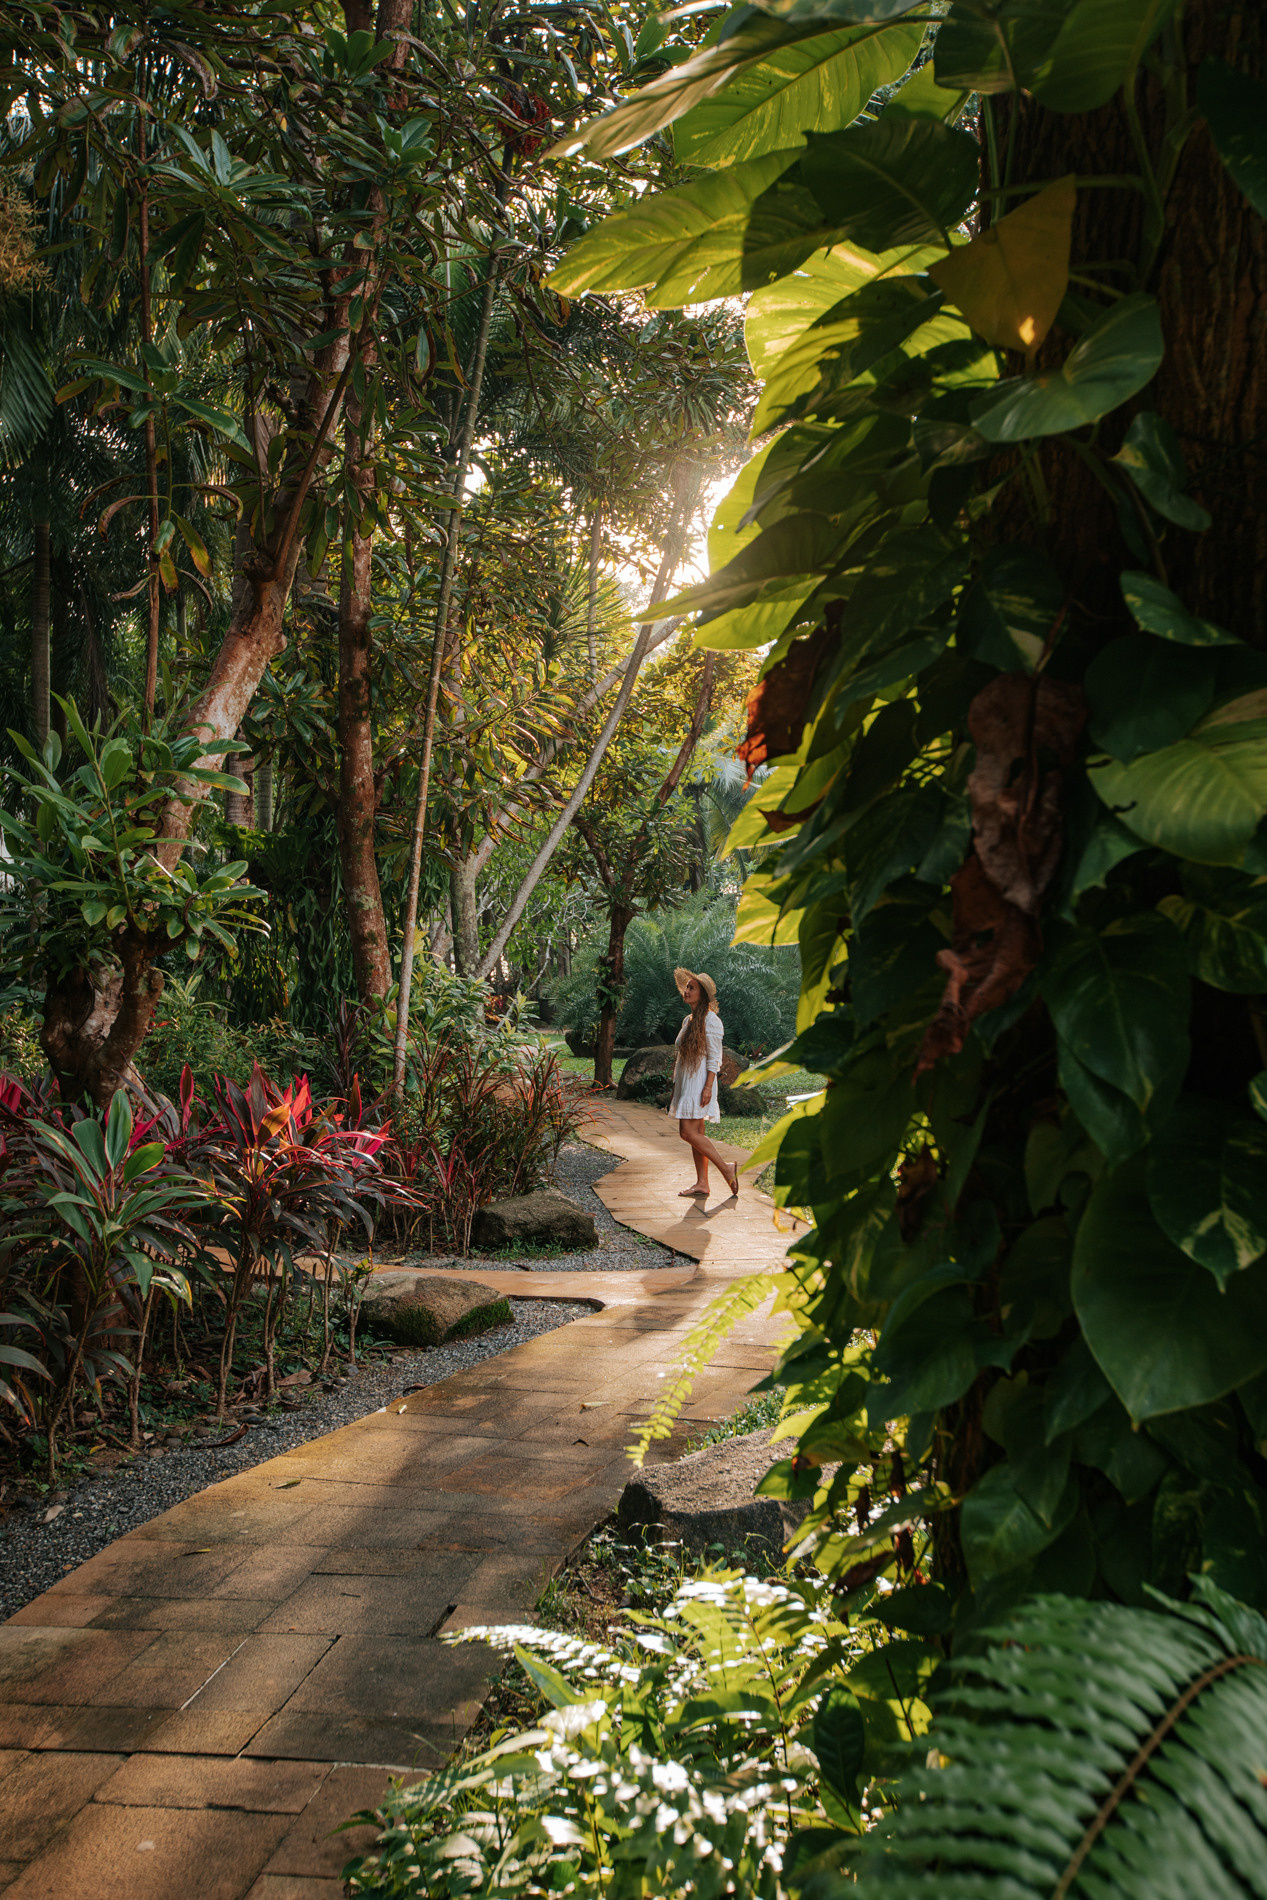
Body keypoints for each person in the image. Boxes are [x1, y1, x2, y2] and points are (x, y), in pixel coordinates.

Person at [669, 967, 740, 1200]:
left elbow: (714, 1058)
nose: (687, 991)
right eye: (686, 987)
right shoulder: (688, 1019)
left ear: (703, 995)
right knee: (696, 1132)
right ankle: (702, 1183)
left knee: (687, 1132)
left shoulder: (711, 1021)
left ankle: (726, 1168)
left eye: (692, 988)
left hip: (700, 1082)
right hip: (686, 1081)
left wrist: (708, 1087)